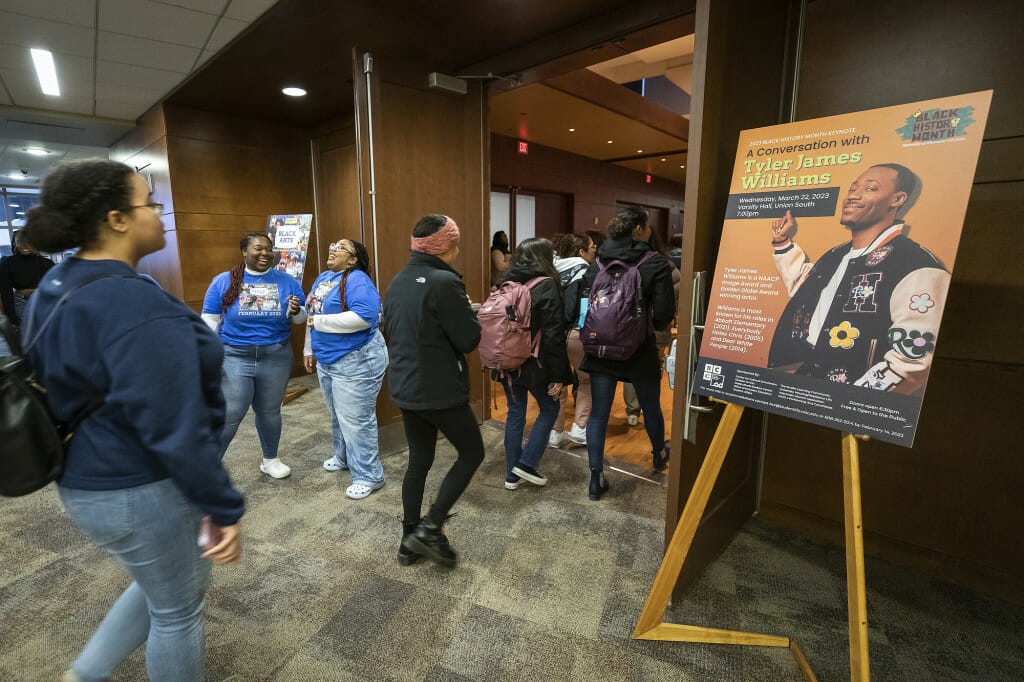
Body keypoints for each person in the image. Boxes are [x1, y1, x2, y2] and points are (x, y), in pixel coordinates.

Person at [21, 159, 244, 682]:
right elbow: (175, 427)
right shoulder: (129, 301)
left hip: (85, 479)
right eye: (150, 202)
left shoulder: (60, 281)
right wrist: (223, 506)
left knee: (158, 588)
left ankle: (82, 675)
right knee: (178, 611)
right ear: (118, 218)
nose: (160, 213)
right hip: (137, 486)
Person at [767, 164, 950, 394]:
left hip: (848, 399)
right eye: (852, 188)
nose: (853, 194)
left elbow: (913, 360)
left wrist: (856, 397)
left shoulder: (916, 265)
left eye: (870, 188)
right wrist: (783, 244)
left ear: (898, 199)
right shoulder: (838, 254)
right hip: (802, 380)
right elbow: (807, 289)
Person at [383, 214, 484, 568]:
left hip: (406, 386)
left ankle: (408, 541)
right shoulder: (445, 282)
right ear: (446, 246)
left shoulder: (397, 281)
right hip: (439, 388)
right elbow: (469, 339)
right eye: (455, 242)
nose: (458, 249)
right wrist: (469, 312)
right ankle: (430, 527)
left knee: (419, 461)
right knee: (472, 453)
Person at [567, 207, 676, 499]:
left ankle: (595, 478)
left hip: (600, 347)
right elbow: (665, 313)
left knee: (599, 413)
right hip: (639, 349)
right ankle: (657, 456)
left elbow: (583, 303)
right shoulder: (655, 263)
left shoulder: (597, 261)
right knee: (651, 405)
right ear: (639, 229)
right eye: (648, 226)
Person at [201, 232, 306, 479]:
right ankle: (206, 469)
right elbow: (209, 320)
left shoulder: (287, 281)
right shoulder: (223, 281)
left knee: (269, 411)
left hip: (276, 355)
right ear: (244, 252)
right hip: (234, 355)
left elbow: (302, 317)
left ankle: (270, 459)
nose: (265, 253)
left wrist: (295, 310)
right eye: (258, 249)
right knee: (232, 412)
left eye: (269, 249)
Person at [303, 238, 388, 499]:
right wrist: (309, 348)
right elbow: (309, 316)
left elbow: (365, 317)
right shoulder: (323, 278)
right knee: (338, 415)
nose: (332, 248)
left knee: (356, 421)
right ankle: (344, 458)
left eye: (341, 247)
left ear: (353, 260)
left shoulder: (357, 279)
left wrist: (320, 321)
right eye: (332, 245)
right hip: (328, 359)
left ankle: (370, 476)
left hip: (357, 360)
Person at [495, 237, 571, 490]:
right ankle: (526, 463)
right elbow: (553, 335)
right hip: (535, 364)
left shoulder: (505, 282)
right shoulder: (547, 285)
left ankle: (511, 476)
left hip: (506, 362)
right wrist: (559, 375)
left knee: (515, 414)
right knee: (549, 410)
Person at [622, 228, 680, 428]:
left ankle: (632, 411)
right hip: (657, 330)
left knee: (631, 369)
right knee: (653, 369)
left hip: (628, 329)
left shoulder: (623, 265)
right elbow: (674, 299)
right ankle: (649, 409)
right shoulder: (668, 267)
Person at [549, 232, 596, 447]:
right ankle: (580, 429)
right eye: (591, 247)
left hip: (550, 336)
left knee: (557, 384)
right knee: (586, 382)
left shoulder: (551, 269)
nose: (594, 250)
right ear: (580, 251)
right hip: (575, 334)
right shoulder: (585, 271)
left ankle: (555, 433)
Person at [0, 230, 55, 332]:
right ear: (14, 243)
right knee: (30, 334)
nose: (25, 245)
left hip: (42, 301)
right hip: (21, 302)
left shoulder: (48, 263)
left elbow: (54, 290)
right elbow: (5, 292)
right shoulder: (7, 263)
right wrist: (11, 320)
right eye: (20, 241)